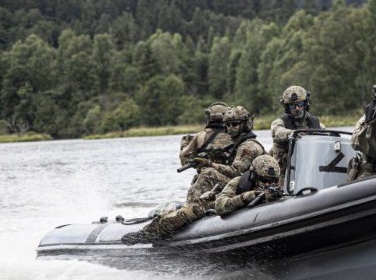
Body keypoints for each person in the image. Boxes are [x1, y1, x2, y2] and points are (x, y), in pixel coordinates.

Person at [122, 106, 265, 244]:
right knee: (204, 181)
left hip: (241, 190)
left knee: (206, 178)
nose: (229, 129)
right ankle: (167, 222)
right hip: (238, 190)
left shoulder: (248, 146)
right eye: (227, 125)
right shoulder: (241, 144)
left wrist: (210, 163)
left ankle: (154, 230)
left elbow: (236, 172)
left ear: (245, 124)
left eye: (234, 124)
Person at [270, 85, 325, 186]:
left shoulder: (317, 124)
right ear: (287, 108)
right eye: (292, 106)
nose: (297, 108)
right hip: (284, 176)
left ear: (306, 104)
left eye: (300, 104)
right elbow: (276, 131)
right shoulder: (279, 122)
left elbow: (328, 138)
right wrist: (292, 134)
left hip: (310, 173)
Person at [179, 101, 232, 203]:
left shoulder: (200, 136)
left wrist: (184, 146)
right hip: (229, 180)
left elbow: (184, 160)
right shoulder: (234, 135)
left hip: (205, 181)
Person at [215, 155, 284, 216]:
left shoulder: (276, 186)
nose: (267, 184)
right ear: (253, 176)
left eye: (272, 180)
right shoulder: (239, 182)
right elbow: (219, 206)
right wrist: (245, 198)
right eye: (264, 180)